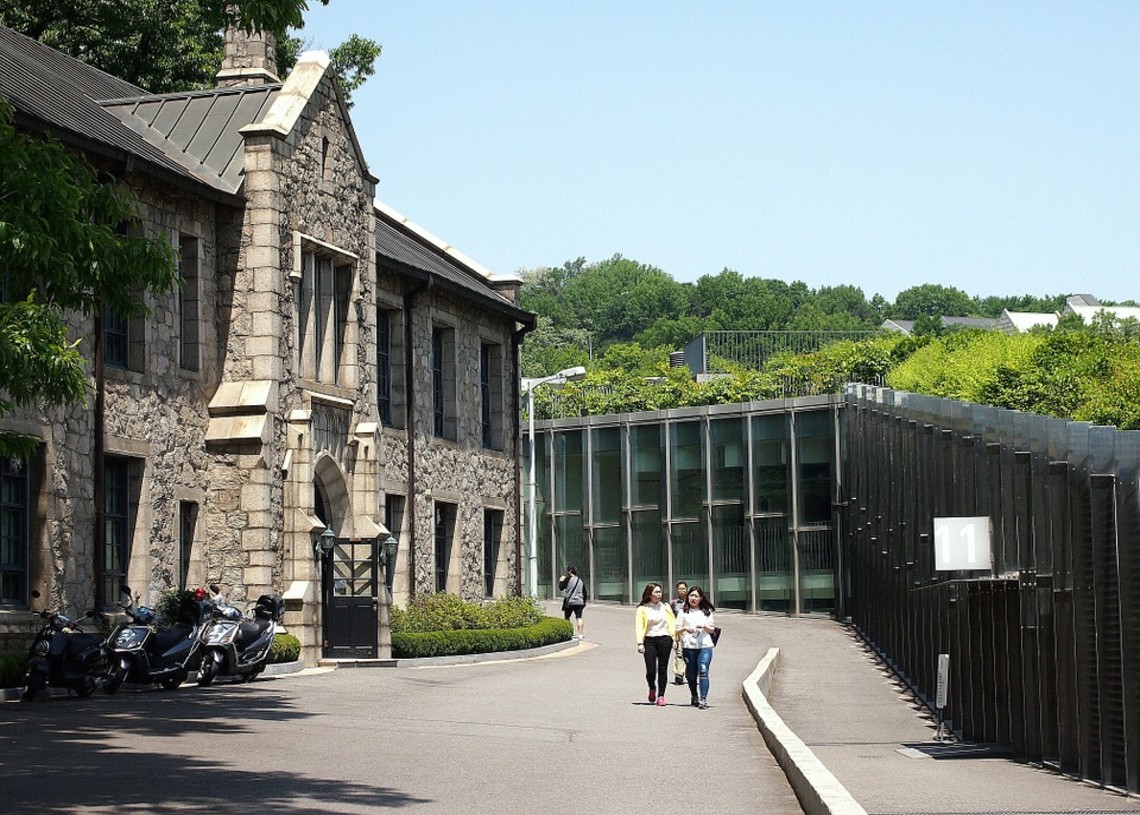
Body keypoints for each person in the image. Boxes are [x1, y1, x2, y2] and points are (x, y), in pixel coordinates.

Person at [634, 582, 676, 706]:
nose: (659, 594)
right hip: (650, 640)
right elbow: (639, 626)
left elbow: (672, 623)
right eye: (656, 592)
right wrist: (640, 643)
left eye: (660, 592)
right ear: (649, 594)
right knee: (651, 670)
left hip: (665, 639)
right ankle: (652, 687)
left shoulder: (666, 607)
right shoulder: (643, 609)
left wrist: (674, 638)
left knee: (663, 669)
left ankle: (661, 696)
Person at [675, 585, 716, 709]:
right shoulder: (683, 612)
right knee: (691, 674)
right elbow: (676, 629)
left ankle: (703, 699)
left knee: (703, 670)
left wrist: (704, 626)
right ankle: (694, 695)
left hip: (705, 645)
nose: (693, 598)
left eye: (696, 596)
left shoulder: (706, 612)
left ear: (701, 598)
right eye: (691, 595)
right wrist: (685, 628)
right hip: (689, 647)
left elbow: (712, 629)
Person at [558, 565, 586, 641]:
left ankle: (569, 633)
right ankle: (580, 634)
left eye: (567, 571)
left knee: (567, 617)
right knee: (579, 617)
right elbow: (584, 592)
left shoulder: (567, 579)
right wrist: (584, 603)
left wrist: (561, 580)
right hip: (579, 602)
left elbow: (561, 588)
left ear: (569, 571)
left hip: (570, 602)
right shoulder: (580, 580)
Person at [669, 581, 689, 685]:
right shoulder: (673, 603)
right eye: (680, 589)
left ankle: (690, 673)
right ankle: (679, 674)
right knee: (679, 653)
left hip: (690, 632)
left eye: (683, 589)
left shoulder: (692, 602)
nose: (682, 591)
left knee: (689, 653)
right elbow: (670, 617)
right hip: (678, 631)